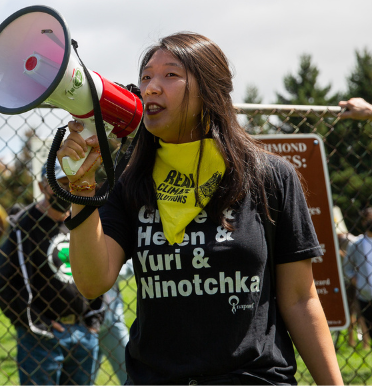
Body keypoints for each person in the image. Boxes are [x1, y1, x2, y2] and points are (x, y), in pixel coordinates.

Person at [58, 32, 343, 384]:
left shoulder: (269, 176)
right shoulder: (131, 181)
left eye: (170, 75)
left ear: (210, 89)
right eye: (146, 77)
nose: (150, 88)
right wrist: (80, 187)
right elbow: (91, 281)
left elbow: (300, 300)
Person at [0, 162, 105, 385]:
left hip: (84, 332)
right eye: (59, 184)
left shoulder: (84, 220)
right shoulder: (23, 227)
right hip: (41, 339)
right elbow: (3, 285)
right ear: (42, 186)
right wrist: (35, 322)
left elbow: (98, 268)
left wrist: (95, 318)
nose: (66, 190)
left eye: (71, 184)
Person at [99, 260, 133, 385]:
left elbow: (131, 266)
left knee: (129, 373)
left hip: (111, 318)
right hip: (80, 322)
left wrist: (99, 272)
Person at [344, 207, 372, 342]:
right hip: (366, 297)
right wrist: (359, 283)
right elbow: (347, 268)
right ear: (364, 222)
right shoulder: (356, 244)